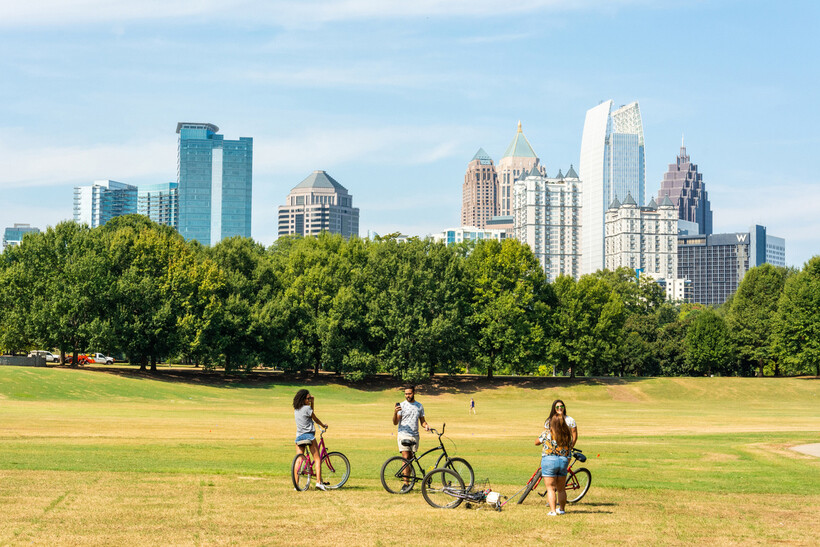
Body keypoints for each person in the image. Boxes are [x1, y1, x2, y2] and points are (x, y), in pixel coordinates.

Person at [392, 386, 430, 486]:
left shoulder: (419, 406)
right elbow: (395, 422)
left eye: (409, 393)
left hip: (415, 435)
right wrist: (395, 412)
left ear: (414, 393)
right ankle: (406, 484)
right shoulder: (402, 405)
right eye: (406, 394)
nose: (407, 396)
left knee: (411, 458)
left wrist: (426, 426)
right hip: (403, 434)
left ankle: (408, 481)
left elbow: (422, 421)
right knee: (405, 456)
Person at [293, 389, 328, 491]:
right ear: (303, 399)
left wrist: (311, 403)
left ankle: (296, 485)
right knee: (317, 459)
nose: (309, 400)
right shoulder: (307, 409)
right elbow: (315, 418)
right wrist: (323, 425)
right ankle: (319, 482)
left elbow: (310, 413)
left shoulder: (296, 409)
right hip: (309, 436)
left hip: (299, 437)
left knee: (298, 460)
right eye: (307, 398)